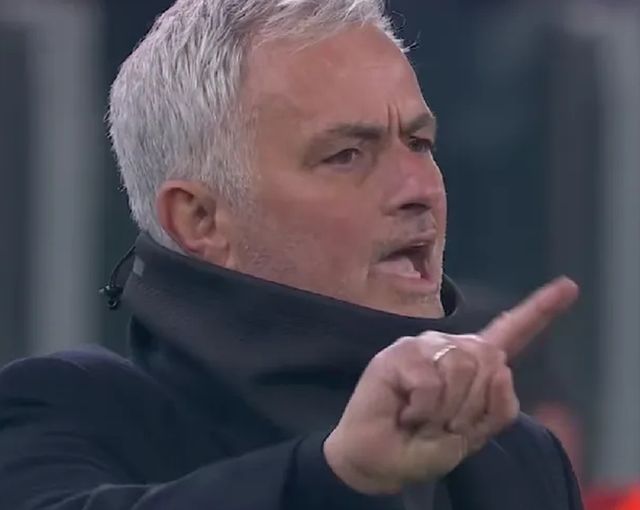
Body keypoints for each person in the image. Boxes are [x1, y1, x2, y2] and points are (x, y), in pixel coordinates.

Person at [0, 1, 583, 509]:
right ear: (200, 219)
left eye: (419, 142)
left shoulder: (518, 457)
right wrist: (338, 479)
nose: (420, 188)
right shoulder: (63, 411)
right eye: (346, 155)